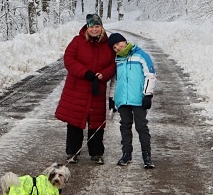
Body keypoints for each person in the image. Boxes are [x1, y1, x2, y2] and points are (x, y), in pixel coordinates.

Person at [54, 13, 116, 164]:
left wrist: (104, 75)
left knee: (96, 121)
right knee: (75, 121)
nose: (94, 30)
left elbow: (114, 64)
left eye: (97, 26)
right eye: (92, 27)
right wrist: (86, 73)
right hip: (77, 87)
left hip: (98, 88)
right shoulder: (77, 41)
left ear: (101, 28)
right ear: (87, 28)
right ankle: (73, 152)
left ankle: (96, 153)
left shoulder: (107, 44)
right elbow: (69, 59)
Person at [107, 32, 156, 169]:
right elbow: (115, 81)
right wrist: (112, 98)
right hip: (123, 100)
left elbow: (150, 75)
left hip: (138, 99)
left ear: (124, 41)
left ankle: (147, 156)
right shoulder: (118, 60)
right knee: (125, 126)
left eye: (118, 44)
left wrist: (147, 94)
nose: (117, 48)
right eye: (114, 48)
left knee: (141, 127)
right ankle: (126, 154)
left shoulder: (140, 55)